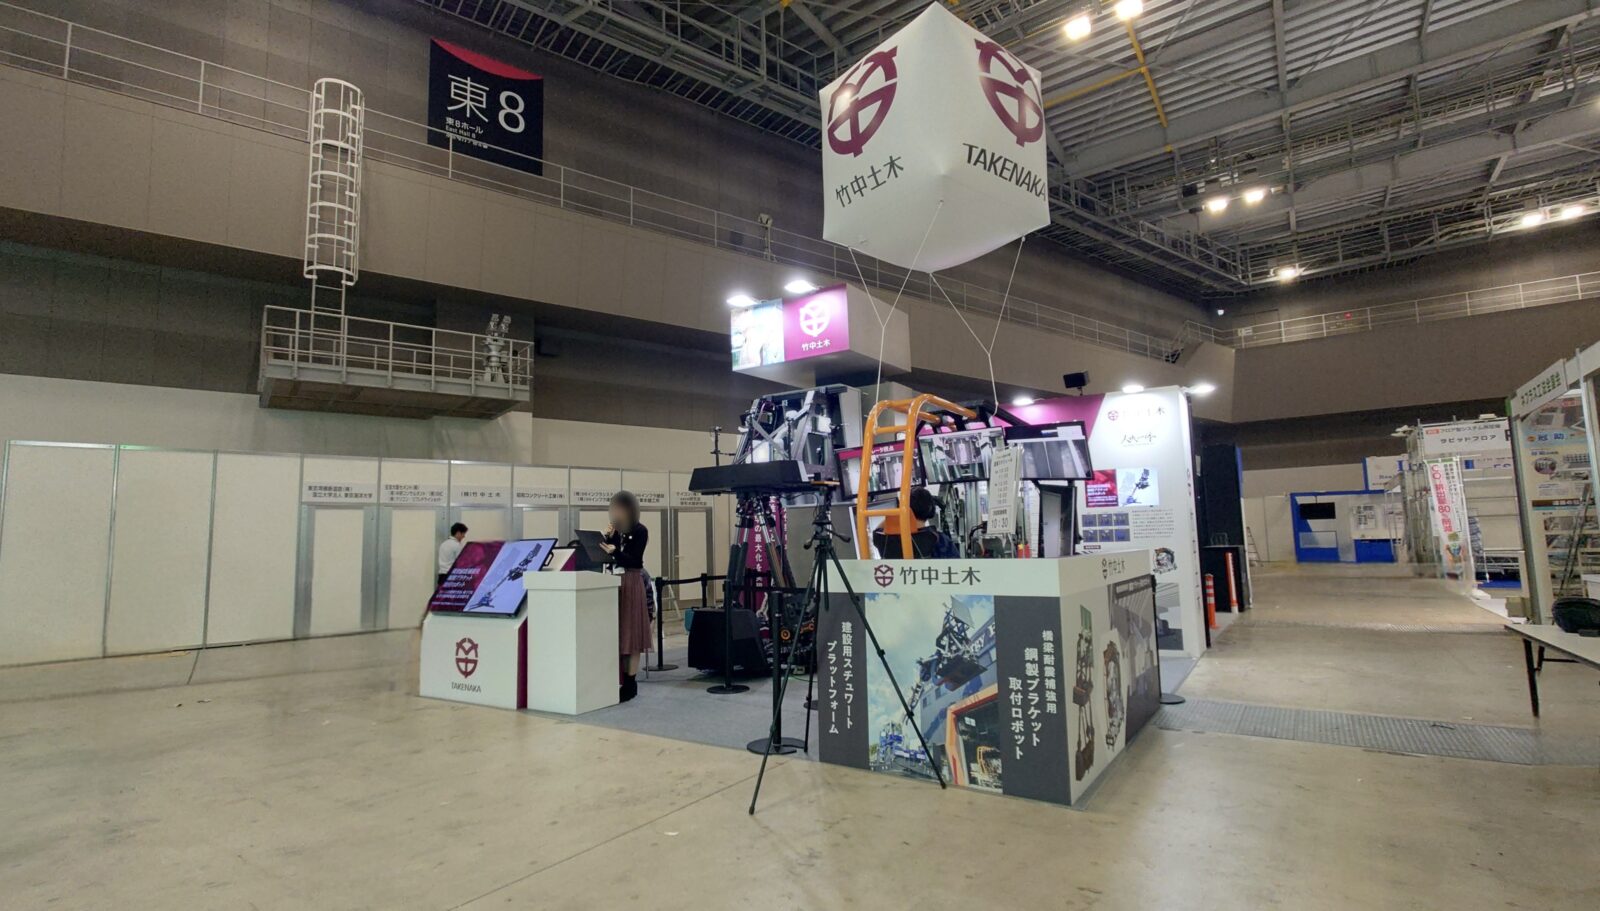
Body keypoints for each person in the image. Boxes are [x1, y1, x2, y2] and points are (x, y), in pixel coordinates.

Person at [600, 491, 651, 702]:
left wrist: (615, 551)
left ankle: (631, 682)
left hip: (631, 581)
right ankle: (619, 678)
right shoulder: (617, 531)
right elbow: (610, 557)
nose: (617, 513)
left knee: (632, 633)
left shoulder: (640, 531)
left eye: (620, 509)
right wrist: (608, 538)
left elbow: (634, 560)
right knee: (620, 631)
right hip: (615, 581)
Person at [873, 487, 958, 559]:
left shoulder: (883, 539)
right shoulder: (940, 539)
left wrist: (900, 513)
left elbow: (877, 530)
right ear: (930, 510)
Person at [437, 522, 468, 587]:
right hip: (452, 576)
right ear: (458, 533)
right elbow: (461, 563)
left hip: (441, 576)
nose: (464, 536)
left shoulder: (443, 544)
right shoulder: (457, 545)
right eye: (463, 534)